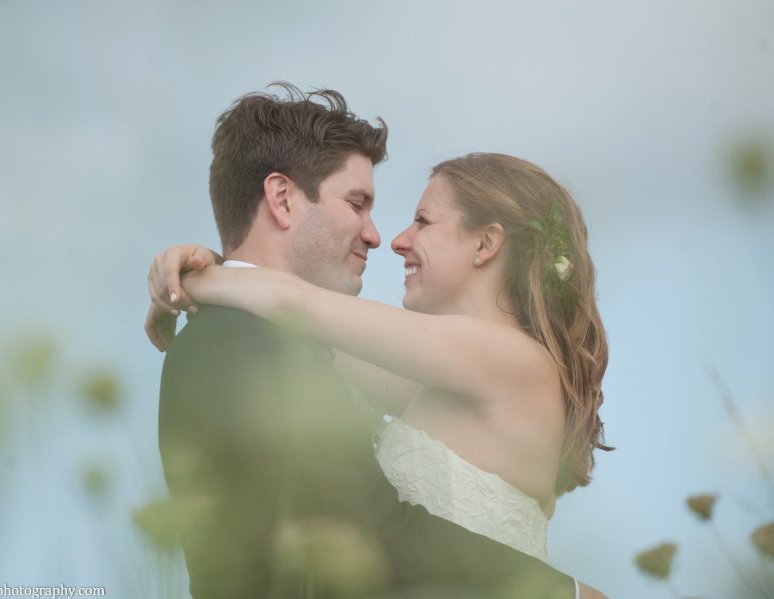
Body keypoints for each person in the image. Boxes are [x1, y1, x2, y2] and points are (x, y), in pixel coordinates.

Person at [152, 83, 597, 598]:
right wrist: (211, 271)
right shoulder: (425, 384)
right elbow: (302, 327)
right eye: (358, 204)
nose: (391, 239)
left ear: (486, 243)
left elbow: (295, 308)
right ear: (280, 198)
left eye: (423, 221)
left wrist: (197, 278)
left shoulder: (512, 361)